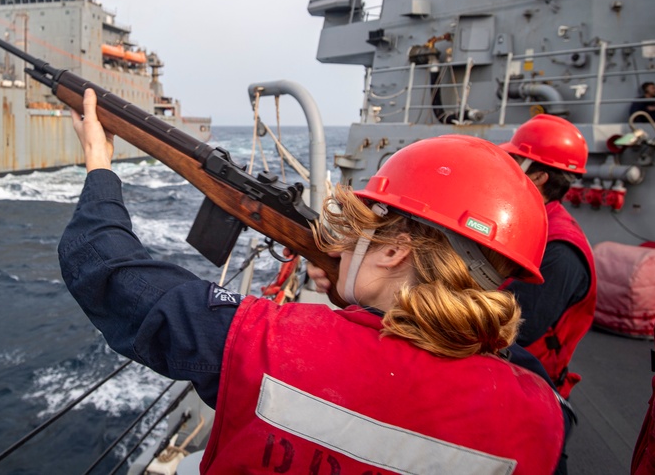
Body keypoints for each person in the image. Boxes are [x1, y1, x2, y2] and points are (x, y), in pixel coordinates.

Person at [60, 88, 568, 474]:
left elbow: (105, 269)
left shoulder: (265, 343)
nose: (345, 243)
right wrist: (358, 301)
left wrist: (100, 167)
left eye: (365, 228)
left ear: (395, 250)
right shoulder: (543, 414)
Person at [499, 114, 597, 399]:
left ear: (539, 177)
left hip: (524, 386)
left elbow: (517, 328)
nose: (507, 168)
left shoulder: (561, 250)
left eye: (516, 161)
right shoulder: (533, 222)